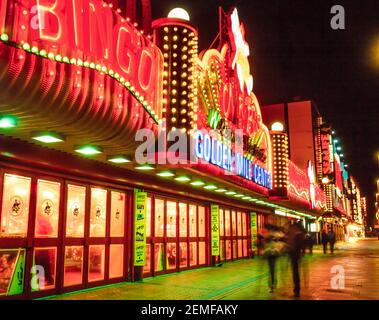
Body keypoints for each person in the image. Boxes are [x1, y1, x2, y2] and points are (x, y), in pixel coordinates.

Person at [262, 224, 286, 293]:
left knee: (271, 270)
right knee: (271, 270)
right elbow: (265, 244)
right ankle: (272, 285)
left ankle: (272, 285)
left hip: (273, 254)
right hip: (271, 254)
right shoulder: (270, 235)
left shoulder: (276, 235)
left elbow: (281, 243)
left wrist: (276, 249)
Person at [286, 221, 305, 298]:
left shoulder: (297, 235)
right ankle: (296, 289)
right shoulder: (299, 234)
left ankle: (297, 290)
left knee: (295, 273)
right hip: (295, 255)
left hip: (294, 255)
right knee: (295, 273)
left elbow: (295, 245)